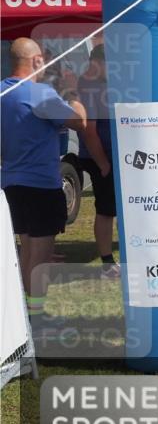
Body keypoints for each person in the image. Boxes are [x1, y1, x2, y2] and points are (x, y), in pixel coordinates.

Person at [1, 38, 107, 327]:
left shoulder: (2, 91)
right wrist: (72, 92)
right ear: (36, 61)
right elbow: (79, 121)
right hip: (41, 183)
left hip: (11, 182)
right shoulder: (38, 94)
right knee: (42, 251)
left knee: (26, 247)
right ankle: (37, 315)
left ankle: (28, 312)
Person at [76, 45, 120, 278]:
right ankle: (106, 263)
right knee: (106, 209)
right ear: (99, 62)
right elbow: (88, 130)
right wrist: (103, 164)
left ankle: (113, 258)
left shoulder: (100, 85)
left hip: (111, 155)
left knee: (113, 208)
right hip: (101, 156)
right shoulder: (89, 87)